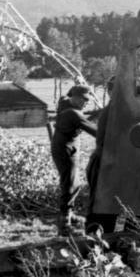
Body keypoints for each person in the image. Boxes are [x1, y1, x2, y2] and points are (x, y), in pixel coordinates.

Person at [51, 84, 97, 235]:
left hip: (65, 148)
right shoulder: (72, 113)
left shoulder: (66, 105)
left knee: (75, 184)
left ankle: (69, 214)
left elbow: (83, 118)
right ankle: (64, 223)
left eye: (88, 99)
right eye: (84, 99)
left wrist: (100, 112)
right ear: (75, 98)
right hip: (66, 151)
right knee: (69, 184)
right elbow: (93, 130)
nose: (87, 102)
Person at [86, 76, 115, 205]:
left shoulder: (117, 110)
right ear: (110, 92)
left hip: (112, 162)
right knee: (100, 204)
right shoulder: (111, 112)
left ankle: (115, 226)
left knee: (118, 207)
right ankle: (96, 225)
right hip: (104, 162)